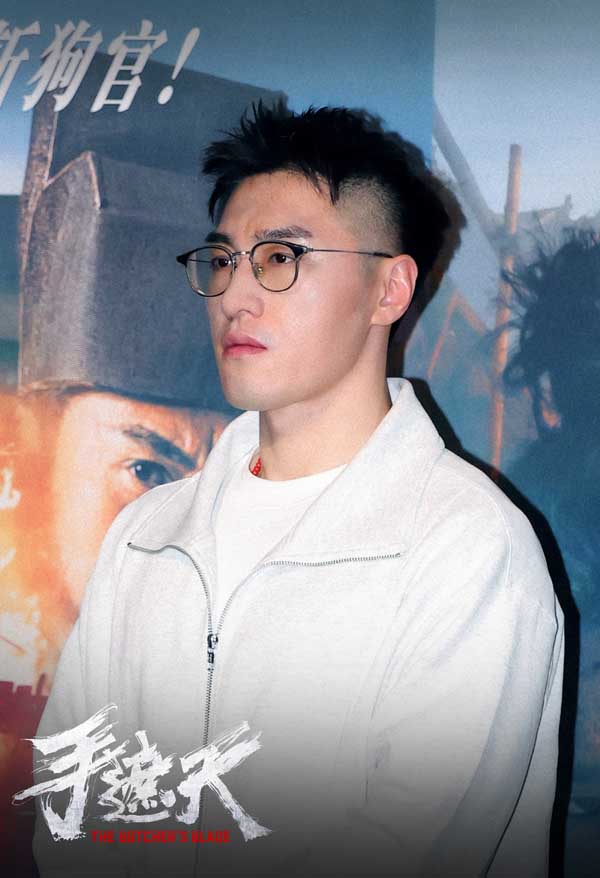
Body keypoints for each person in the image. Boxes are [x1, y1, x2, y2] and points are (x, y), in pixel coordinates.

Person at [31, 103, 564, 878]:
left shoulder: (466, 548)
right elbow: (67, 806)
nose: (234, 296)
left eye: (280, 257)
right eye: (223, 259)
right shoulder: (148, 532)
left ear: (389, 289)